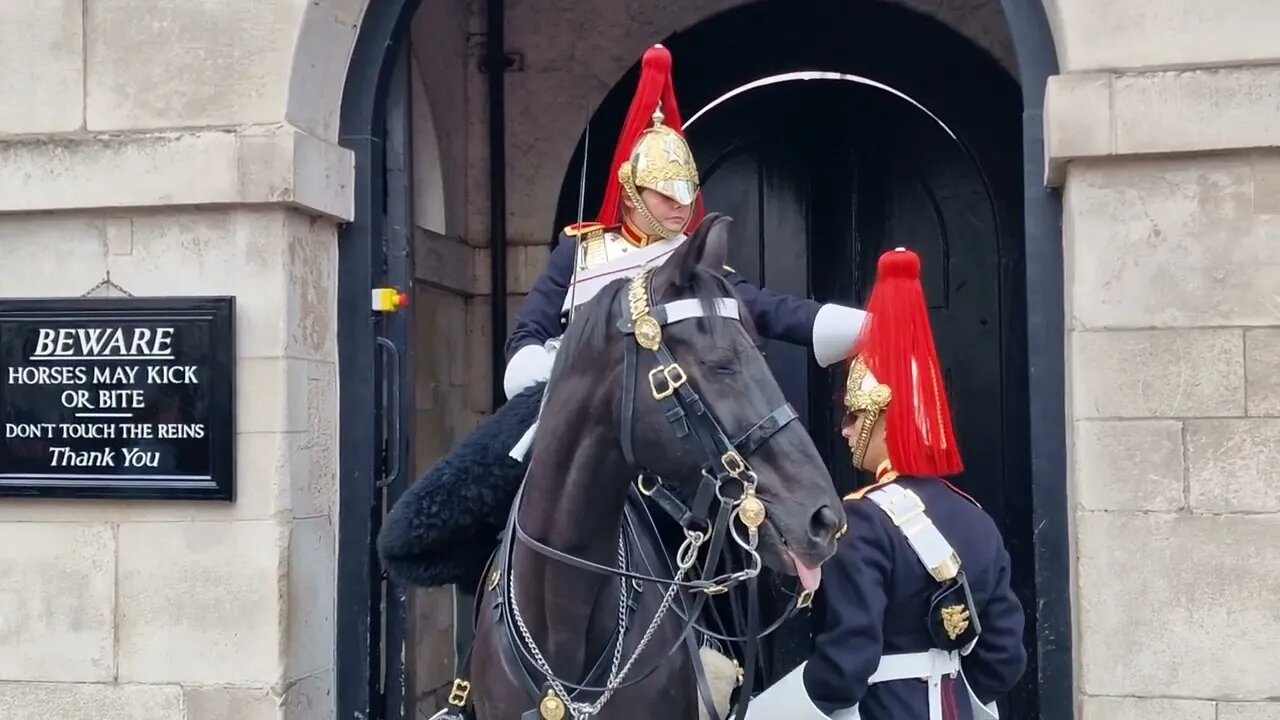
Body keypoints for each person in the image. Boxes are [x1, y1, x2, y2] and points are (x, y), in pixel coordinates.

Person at [378, 43, 869, 594]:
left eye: (687, 194)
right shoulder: (581, 252)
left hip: (665, 417)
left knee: (722, 534)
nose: (681, 207)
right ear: (633, 194)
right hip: (573, 402)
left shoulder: (696, 266)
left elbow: (773, 310)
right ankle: (495, 590)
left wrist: (870, 327)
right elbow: (527, 336)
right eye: (666, 195)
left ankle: (712, 651)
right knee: (441, 516)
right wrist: (563, 374)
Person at [743, 248, 1027, 719]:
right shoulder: (975, 518)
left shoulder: (864, 518)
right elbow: (1004, 658)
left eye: (854, 416)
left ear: (884, 418)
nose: (846, 430)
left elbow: (843, 670)